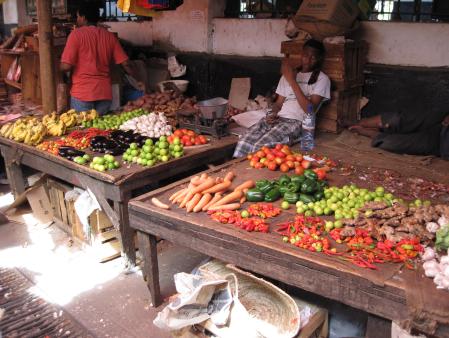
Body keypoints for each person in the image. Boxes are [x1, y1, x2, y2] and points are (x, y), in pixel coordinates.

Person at [233, 39, 331, 158]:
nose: (308, 60)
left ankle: (253, 173)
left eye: (313, 57)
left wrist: (292, 81)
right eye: (306, 55)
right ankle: (239, 173)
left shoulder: (322, 79)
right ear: (301, 55)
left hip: (296, 123)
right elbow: (278, 104)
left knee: (259, 147)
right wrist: (272, 113)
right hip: (278, 119)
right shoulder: (290, 74)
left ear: (319, 59)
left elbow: (309, 110)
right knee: (243, 142)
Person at [60, 1, 144, 115]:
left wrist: (57, 69)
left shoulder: (76, 35)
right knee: (100, 129)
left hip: (82, 94)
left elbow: (66, 66)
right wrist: (138, 80)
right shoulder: (109, 36)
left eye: (78, 16)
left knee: (81, 130)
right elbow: (126, 64)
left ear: (84, 17)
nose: (77, 19)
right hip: (104, 94)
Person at [349, 111, 449, 158]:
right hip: (443, 124)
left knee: (397, 143)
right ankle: (361, 122)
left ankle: (373, 133)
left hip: (442, 145)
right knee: (401, 119)